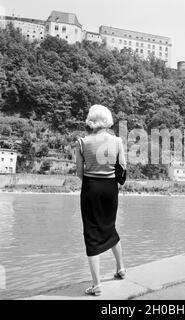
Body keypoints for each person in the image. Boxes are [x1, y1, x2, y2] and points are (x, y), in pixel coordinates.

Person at [76, 104, 126, 296]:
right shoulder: (118, 141)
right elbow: (122, 172)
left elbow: (80, 173)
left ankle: (96, 285)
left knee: (91, 233)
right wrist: (113, 186)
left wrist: (92, 181)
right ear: (108, 119)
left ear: (91, 119)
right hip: (110, 189)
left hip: (91, 188)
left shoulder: (81, 142)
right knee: (110, 226)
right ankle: (121, 268)